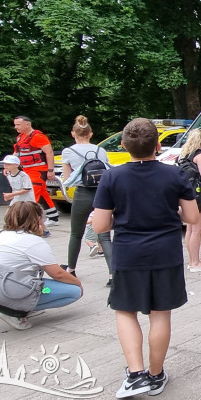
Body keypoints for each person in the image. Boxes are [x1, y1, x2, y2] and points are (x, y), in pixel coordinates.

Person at [92, 117, 200, 398]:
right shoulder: (175, 175)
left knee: (125, 310)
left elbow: (100, 227)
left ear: (125, 145)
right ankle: (155, 375)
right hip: (165, 253)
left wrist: (122, 217)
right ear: (159, 144)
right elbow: (192, 217)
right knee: (160, 313)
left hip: (128, 254)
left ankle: (136, 374)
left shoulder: (112, 177)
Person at [0, 201, 83, 330]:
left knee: (36, 280)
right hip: (0, 292)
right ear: (38, 219)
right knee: (73, 291)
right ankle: (15, 310)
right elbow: (58, 274)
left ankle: (19, 305)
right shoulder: (33, 242)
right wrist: (78, 283)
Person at [60, 115, 113, 279]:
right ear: (91, 134)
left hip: (82, 194)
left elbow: (67, 179)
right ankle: (112, 274)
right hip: (102, 194)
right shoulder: (100, 151)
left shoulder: (68, 151)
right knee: (104, 235)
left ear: (73, 134)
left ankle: (71, 270)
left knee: (76, 233)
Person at [178, 129, 201, 270]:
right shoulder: (200, 155)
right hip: (200, 196)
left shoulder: (184, 154)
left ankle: (191, 261)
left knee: (189, 229)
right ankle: (196, 263)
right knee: (197, 230)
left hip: (188, 194)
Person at [12, 115, 59, 227]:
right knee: (42, 194)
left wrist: (50, 170)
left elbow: (49, 153)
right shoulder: (20, 138)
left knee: (31, 196)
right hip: (26, 171)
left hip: (38, 171)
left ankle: (26, 220)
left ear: (27, 124)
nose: (15, 127)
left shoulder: (38, 136)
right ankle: (53, 217)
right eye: (15, 125)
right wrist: (9, 167)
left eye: (18, 125)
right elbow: (16, 155)